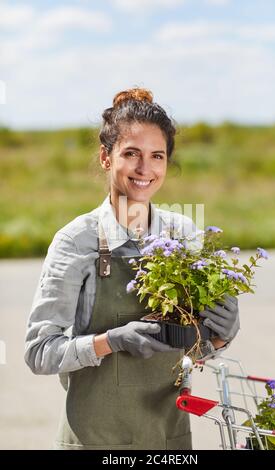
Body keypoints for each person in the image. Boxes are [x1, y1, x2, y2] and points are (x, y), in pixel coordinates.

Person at [24, 87, 240, 450]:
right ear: (106, 158)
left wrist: (220, 336)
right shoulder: (77, 240)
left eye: (157, 156)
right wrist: (111, 341)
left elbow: (185, 351)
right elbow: (39, 352)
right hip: (94, 441)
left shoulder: (183, 234)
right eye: (131, 154)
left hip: (167, 441)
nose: (145, 169)